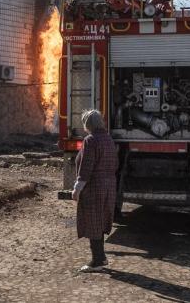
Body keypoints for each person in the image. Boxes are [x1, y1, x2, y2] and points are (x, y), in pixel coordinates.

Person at [71, 109, 119, 273]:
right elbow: (115, 164)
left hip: (94, 187)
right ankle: (101, 257)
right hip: (109, 186)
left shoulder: (91, 140)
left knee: (93, 222)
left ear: (88, 124)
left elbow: (86, 167)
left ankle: (97, 261)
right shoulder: (108, 139)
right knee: (99, 221)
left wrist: (77, 189)